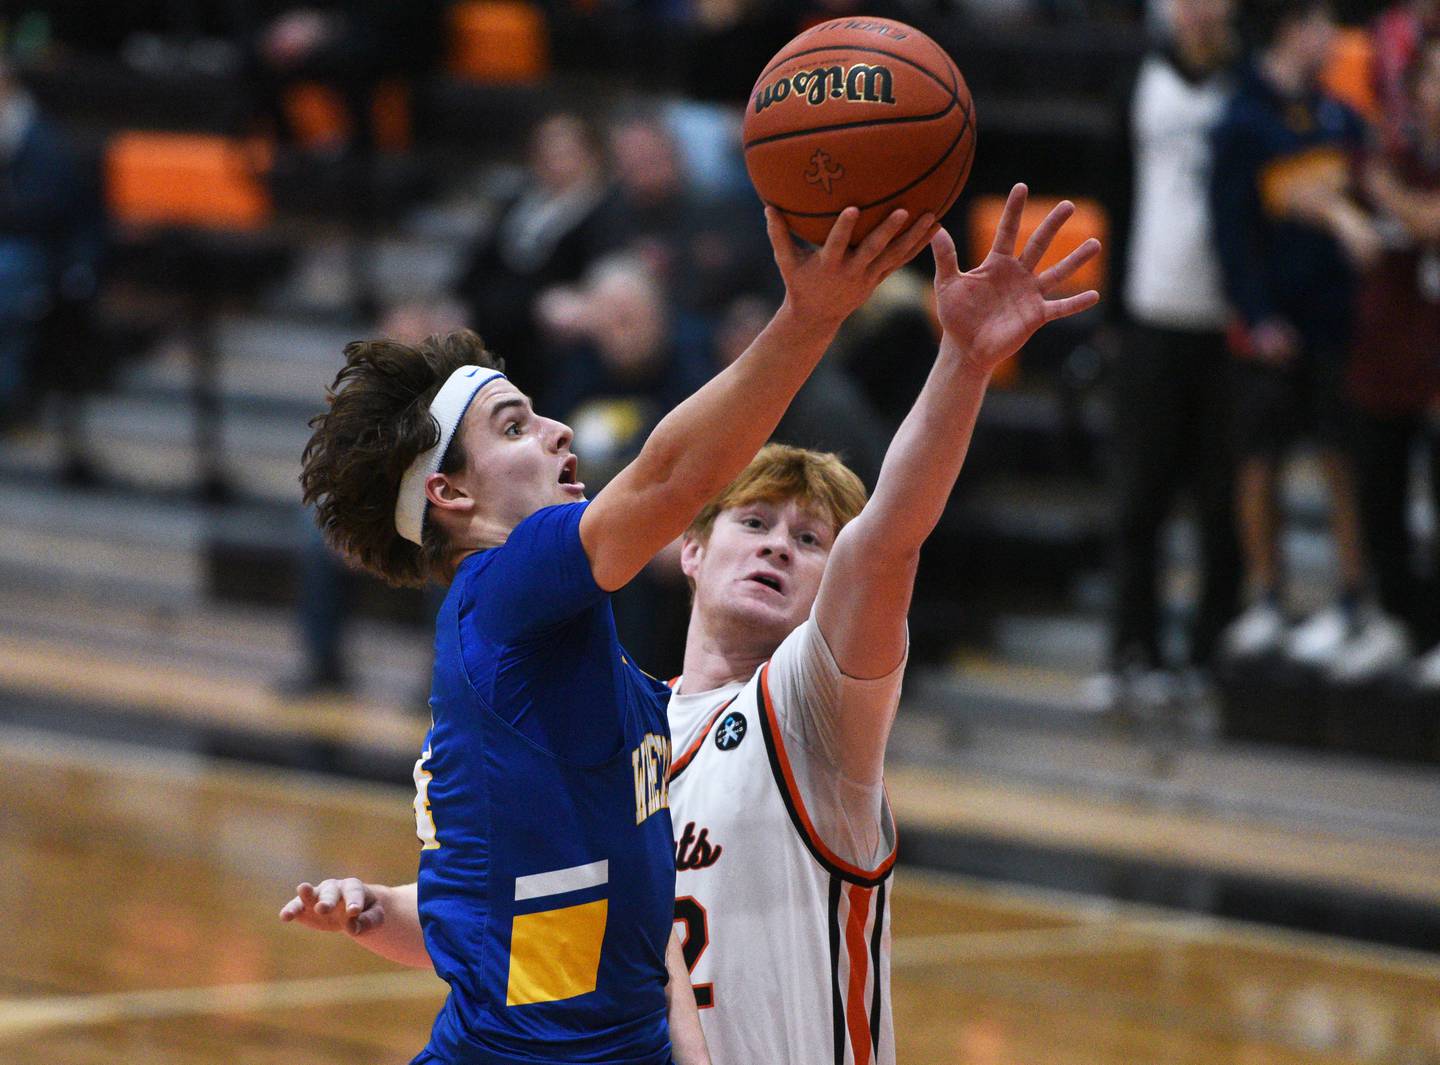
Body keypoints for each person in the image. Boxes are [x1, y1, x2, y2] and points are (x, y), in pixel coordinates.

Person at [280, 186, 1101, 1064]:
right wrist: (806, 319)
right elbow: (668, 475)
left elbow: (571, 910)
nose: (559, 431)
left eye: (810, 538)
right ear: (689, 552)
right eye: (753, 523)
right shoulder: (508, 593)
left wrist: (962, 364)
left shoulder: (677, 708)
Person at [1210, 0, 1399, 669]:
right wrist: (1256, 315)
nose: (1333, 39)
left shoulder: (1339, 118)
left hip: (1334, 323)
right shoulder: (1241, 119)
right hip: (1270, 325)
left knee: (1339, 457)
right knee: (1260, 460)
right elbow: (1230, 233)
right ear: (1294, 31)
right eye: (1322, 26)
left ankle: (1353, 594)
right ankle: (1266, 594)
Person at [1099, 0, 1243, 702]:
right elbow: (1113, 195)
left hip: (1228, 323)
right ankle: (1132, 649)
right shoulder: (1137, 80)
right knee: (1139, 499)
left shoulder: (1247, 86)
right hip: (1150, 312)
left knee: (1221, 502)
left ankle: (1211, 651)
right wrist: (1111, 313)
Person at [1349, 36, 1440, 683]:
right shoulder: (1398, 154)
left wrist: (1385, 196)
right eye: (1434, 77)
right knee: (1378, 489)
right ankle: (1396, 620)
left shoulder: (1390, 170)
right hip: (1391, 348)